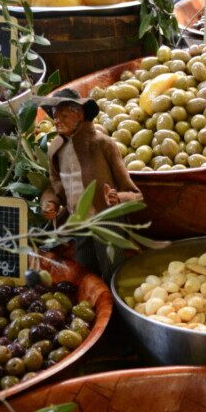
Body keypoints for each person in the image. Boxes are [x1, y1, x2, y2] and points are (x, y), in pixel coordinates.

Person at [38, 89, 142, 279]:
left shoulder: (103, 144)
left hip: (106, 220)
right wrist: (49, 203)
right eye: (55, 116)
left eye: (64, 115)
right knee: (84, 269)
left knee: (113, 270)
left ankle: (115, 305)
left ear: (79, 114)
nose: (57, 121)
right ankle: (97, 304)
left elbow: (134, 193)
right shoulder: (55, 149)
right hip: (79, 221)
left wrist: (117, 198)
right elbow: (54, 187)